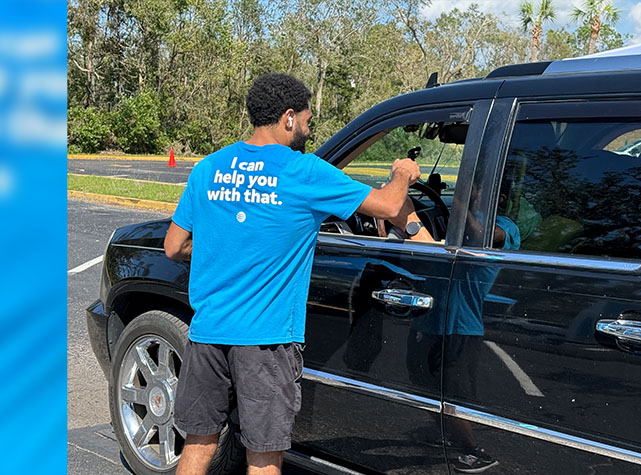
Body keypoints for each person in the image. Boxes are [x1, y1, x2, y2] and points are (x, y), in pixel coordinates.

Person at [163, 73, 421, 475]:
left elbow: (174, 247)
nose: (308, 126)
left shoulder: (208, 168)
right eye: (306, 118)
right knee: (264, 458)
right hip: (266, 343)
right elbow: (389, 207)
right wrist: (403, 174)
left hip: (206, 334)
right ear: (287, 118)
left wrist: (225, 248)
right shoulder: (305, 172)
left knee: (198, 445)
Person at [392, 194, 520, 473]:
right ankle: (445, 435)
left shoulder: (505, 226)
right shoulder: (453, 226)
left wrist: (460, 207)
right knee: (421, 382)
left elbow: (485, 238)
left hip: (462, 326)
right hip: (427, 320)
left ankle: (473, 451)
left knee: (452, 395)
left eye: (475, 188)